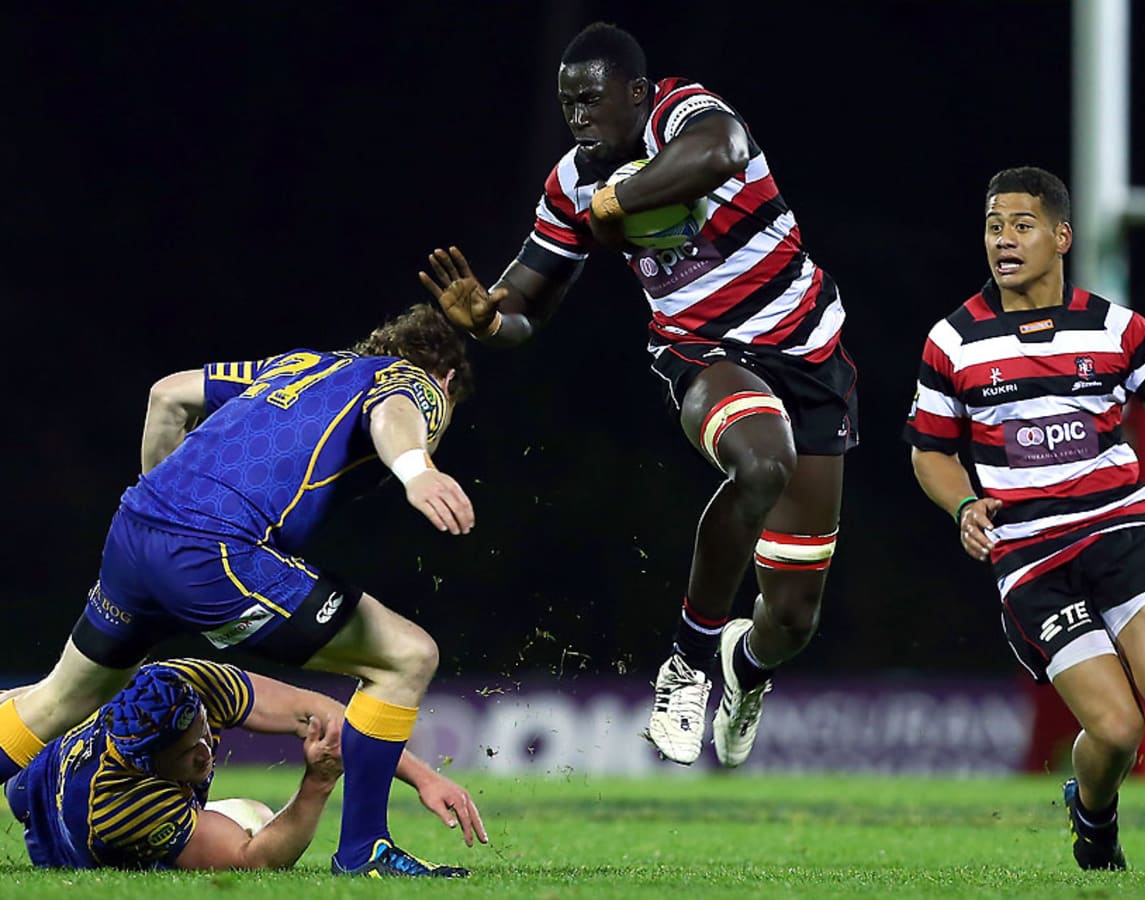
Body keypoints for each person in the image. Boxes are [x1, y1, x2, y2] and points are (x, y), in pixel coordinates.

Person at [419, 22, 857, 769]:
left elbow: (723, 151)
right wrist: (488, 320)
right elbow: (525, 306)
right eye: (567, 104)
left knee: (791, 617)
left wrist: (613, 204)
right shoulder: (569, 182)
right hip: (702, 352)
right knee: (760, 462)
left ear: (636, 91)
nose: (578, 117)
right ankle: (687, 666)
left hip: (810, 350)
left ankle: (745, 667)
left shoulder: (682, 112)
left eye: (591, 99)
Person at [0, 303, 487, 877]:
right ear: (446, 381)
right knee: (407, 655)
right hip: (213, 555)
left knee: (58, 700)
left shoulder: (296, 366)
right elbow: (396, 409)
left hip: (135, 533)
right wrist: (416, 469)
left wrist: (168, 504)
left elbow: (167, 396)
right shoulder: (412, 380)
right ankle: (364, 852)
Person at [904, 165, 1145, 871]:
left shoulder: (1116, 327)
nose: (1003, 240)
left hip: (1122, 532)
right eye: (993, 226)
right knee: (1118, 730)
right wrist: (964, 504)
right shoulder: (954, 340)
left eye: (1021, 225)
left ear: (1061, 237)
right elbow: (930, 452)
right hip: (1032, 559)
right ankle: (1093, 814)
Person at [3, 657, 484, 871]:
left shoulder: (183, 683)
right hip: (50, 811)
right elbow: (254, 861)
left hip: (76, 745)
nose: (206, 748)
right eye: (188, 752)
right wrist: (317, 781)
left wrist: (423, 777)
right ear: (149, 765)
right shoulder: (123, 805)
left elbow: (321, 715)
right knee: (254, 820)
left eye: (203, 729)